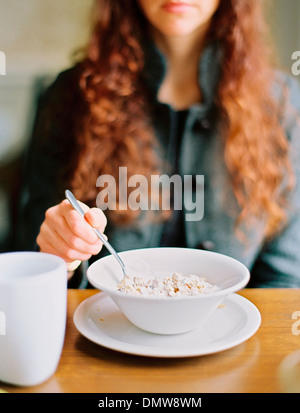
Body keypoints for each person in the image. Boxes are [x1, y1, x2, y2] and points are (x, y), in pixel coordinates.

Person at [15, 0, 300, 288]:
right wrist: (60, 258)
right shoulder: (70, 98)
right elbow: (30, 257)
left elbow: (285, 276)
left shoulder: (282, 105)